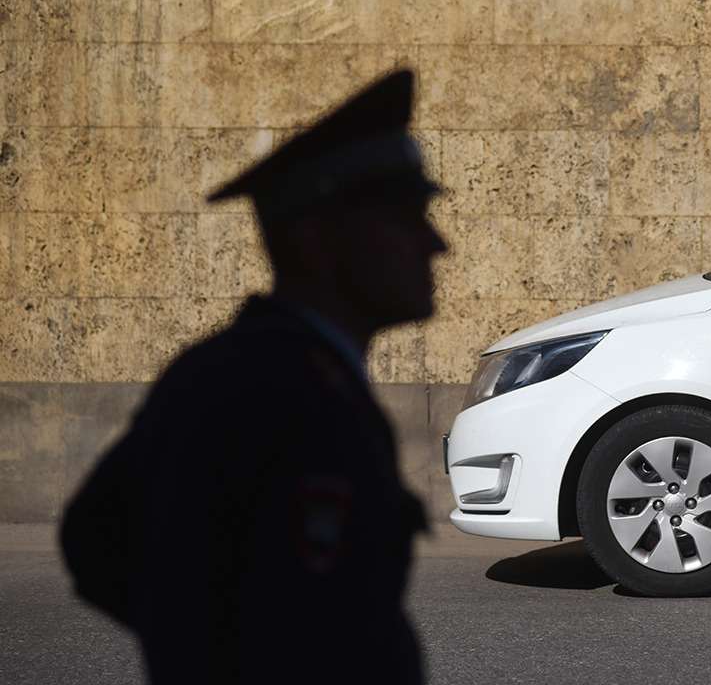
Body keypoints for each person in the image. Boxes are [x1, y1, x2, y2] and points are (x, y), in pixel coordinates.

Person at [60, 69, 447, 681]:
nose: (435, 242)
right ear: (316, 239)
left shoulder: (277, 373)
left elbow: (96, 539)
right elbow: (96, 539)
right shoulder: (267, 385)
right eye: (403, 217)